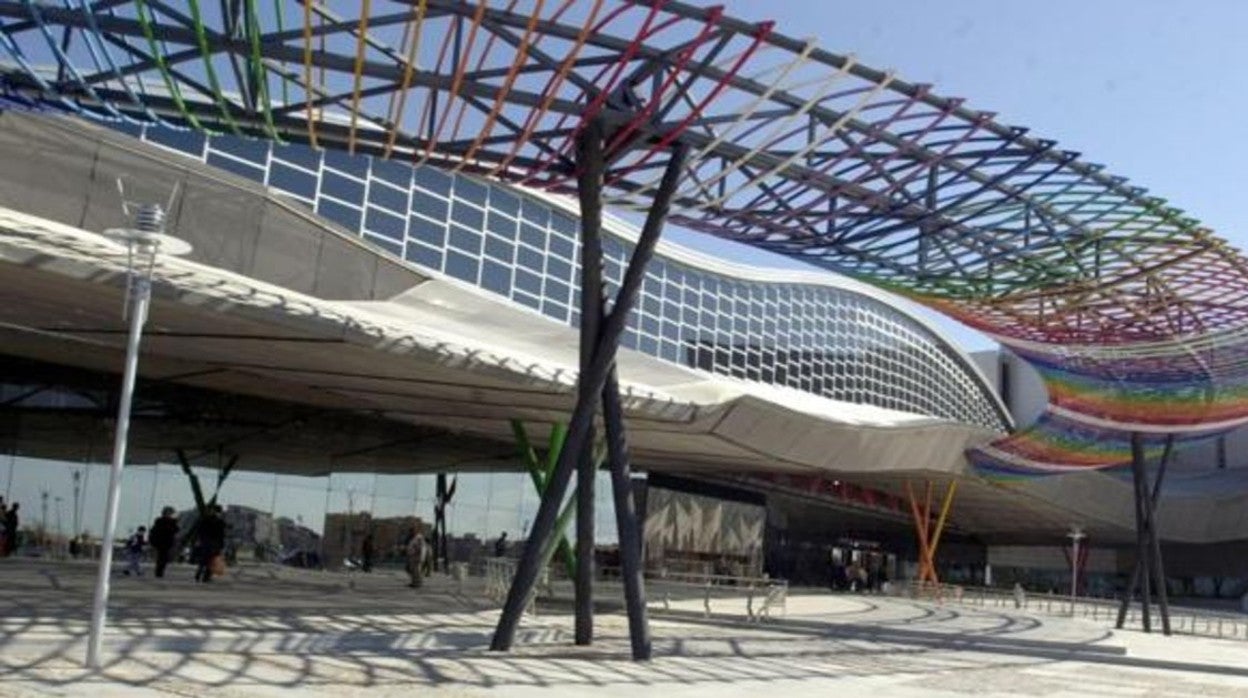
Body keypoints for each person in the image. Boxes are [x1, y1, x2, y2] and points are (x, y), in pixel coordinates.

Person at [194, 505, 227, 583]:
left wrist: (200, 540)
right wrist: (221, 545)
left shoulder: (205, 519)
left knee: (204, 558)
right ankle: (206, 577)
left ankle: (198, 573)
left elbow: (200, 531)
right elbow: (221, 535)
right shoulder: (220, 522)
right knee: (212, 560)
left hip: (205, 541)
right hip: (215, 543)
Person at [149, 507, 179, 578]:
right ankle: (160, 571)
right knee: (163, 557)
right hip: (165, 541)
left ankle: (159, 571)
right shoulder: (171, 521)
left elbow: (154, 531)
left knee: (161, 557)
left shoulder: (159, 520)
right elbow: (175, 530)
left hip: (162, 542)